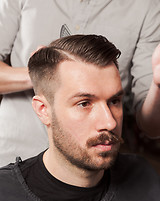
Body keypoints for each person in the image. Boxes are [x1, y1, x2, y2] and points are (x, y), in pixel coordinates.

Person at [0, 35, 160, 201]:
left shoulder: (145, 178)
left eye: (114, 101)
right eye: (84, 103)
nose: (110, 123)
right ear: (43, 110)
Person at [0, 0, 160, 167]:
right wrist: (43, 74)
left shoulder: (147, 7)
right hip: (13, 153)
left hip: (93, 167)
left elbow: (152, 127)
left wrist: (158, 85)